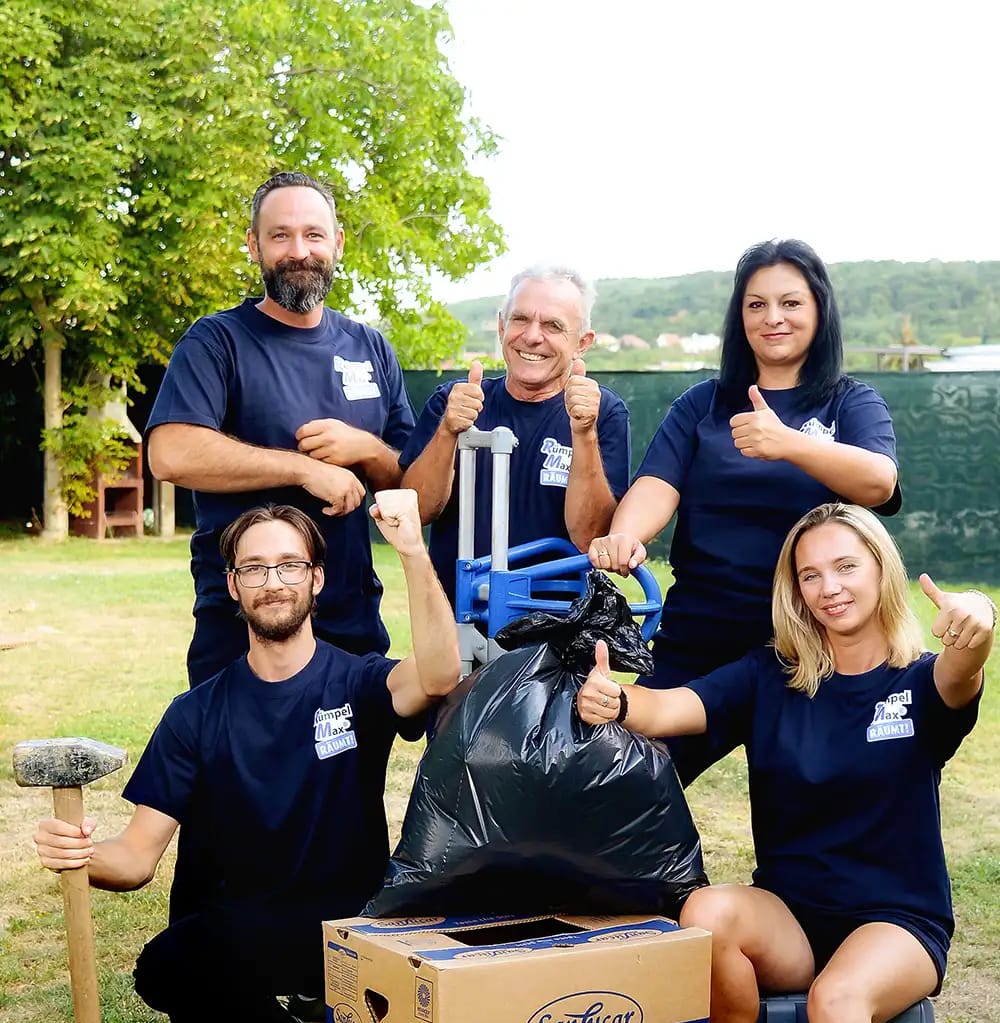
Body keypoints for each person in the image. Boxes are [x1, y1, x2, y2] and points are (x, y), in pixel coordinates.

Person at [577, 501, 996, 1023]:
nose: (830, 586)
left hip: (898, 921)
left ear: (878, 570)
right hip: (797, 917)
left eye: (846, 566)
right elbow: (676, 709)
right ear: (794, 591)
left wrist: (976, 626)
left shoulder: (921, 681)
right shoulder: (775, 674)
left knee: (841, 1001)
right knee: (705, 914)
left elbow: (965, 669)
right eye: (811, 574)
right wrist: (616, 702)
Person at [32, 495, 461, 1023]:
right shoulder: (195, 714)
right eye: (254, 568)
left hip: (353, 927)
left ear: (316, 578)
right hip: (250, 927)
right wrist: (80, 855)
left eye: (289, 565)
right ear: (233, 586)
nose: (273, 581)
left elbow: (441, 674)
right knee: (165, 968)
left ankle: (320, 1003)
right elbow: (134, 859)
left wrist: (414, 553)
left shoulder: (361, 681)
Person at [589, 238, 902, 784]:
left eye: (790, 303)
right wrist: (625, 535)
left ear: (819, 310)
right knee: (627, 782)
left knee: (805, 811)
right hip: (699, 633)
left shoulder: (851, 402)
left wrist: (789, 443)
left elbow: (879, 482)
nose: (773, 318)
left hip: (810, 638)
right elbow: (656, 485)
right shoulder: (701, 405)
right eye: (756, 304)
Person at [147, 170, 415, 688]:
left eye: (313, 234)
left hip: (348, 620)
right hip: (243, 624)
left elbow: (409, 482)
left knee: (349, 770)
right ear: (254, 245)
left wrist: (366, 449)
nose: (299, 250)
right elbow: (171, 452)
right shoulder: (216, 340)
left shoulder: (370, 347)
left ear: (336, 243)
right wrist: (303, 470)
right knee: (239, 769)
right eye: (280, 235)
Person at [399, 265, 631, 616]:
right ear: (501, 325)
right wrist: (448, 432)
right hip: (454, 626)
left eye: (553, 326)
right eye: (521, 319)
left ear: (582, 343)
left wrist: (583, 433)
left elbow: (591, 538)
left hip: (554, 633)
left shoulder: (603, 413)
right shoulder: (456, 401)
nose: (532, 336)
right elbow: (416, 512)